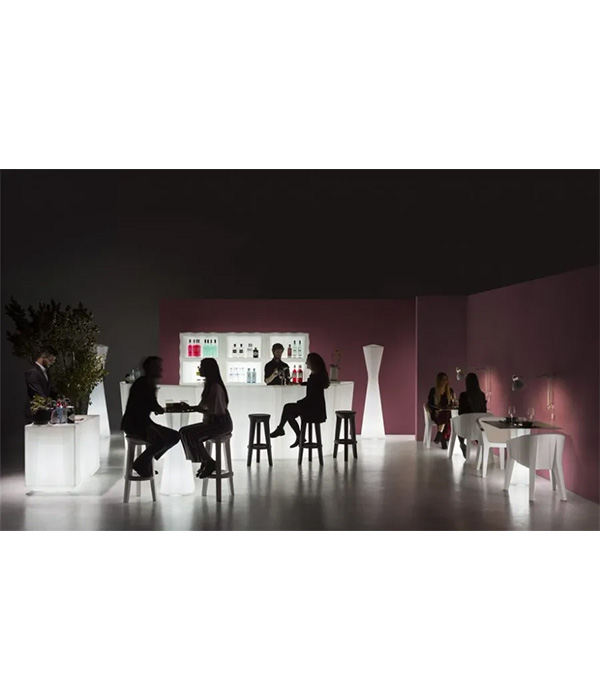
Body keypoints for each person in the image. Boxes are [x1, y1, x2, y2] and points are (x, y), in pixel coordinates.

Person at [120, 356, 180, 477]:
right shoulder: (144, 384)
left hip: (139, 423)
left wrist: (157, 410)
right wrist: (149, 427)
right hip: (136, 425)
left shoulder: (145, 383)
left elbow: (150, 405)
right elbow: (138, 410)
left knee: (173, 436)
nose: (160, 369)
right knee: (166, 438)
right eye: (157, 367)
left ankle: (146, 460)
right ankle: (142, 462)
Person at [179, 357, 233, 478]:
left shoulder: (215, 387)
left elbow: (216, 411)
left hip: (220, 424)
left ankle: (208, 462)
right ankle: (206, 461)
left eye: (201, 367)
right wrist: (190, 408)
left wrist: (193, 409)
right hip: (216, 422)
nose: (199, 369)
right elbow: (205, 408)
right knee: (184, 432)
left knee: (188, 433)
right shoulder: (210, 386)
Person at [270, 352, 330, 448]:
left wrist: (299, 402)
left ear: (312, 363)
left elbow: (311, 397)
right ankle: (295, 435)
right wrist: (300, 383)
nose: (306, 363)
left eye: (307, 361)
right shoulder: (318, 376)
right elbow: (312, 387)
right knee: (288, 412)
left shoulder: (316, 377)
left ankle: (288, 432)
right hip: (316, 409)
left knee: (288, 409)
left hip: (313, 410)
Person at [24, 346, 59, 424]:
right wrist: (51, 404)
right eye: (51, 360)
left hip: (45, 413)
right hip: (36, 414)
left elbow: (50, 390)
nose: (52, 363)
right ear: (43, 356)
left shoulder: (46, 372)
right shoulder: (32, 373)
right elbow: (37, 394)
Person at [457, 372, 488, 458]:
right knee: (474, 427)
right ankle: (482, 445)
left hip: (466, 427)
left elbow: (460, 412)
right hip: (479, 426)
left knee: (457, 422)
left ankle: (462, 443)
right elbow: (484, 411)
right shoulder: (482, 395)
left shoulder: (463, 395)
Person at [426, 371, 456, 450]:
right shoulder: (433, 390)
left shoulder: (450, 391)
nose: (444, 381)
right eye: (442, 379)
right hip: (436, 413)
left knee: (446, 414)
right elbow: (429, 404)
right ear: (439, 380)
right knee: (446, 417)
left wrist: (454, 402)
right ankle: (443, 440)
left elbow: (452, 404)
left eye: (446, 379)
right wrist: (435, 410)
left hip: (446, 413)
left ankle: (440, 434)